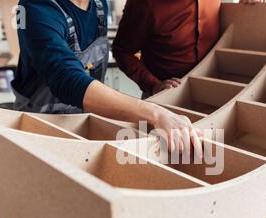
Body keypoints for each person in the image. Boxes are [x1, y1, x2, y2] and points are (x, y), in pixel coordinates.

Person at [12, 0, 201, 153]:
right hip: (41, 124)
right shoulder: (32, 8)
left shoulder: (99, 5)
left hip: (86, 115)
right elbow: (66, 78)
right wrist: (156, 113)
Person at [112, 0, 264, 98]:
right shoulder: (144, 4)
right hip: (164, 97)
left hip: (212, 92)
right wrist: (153, 85)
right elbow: (122, 51)